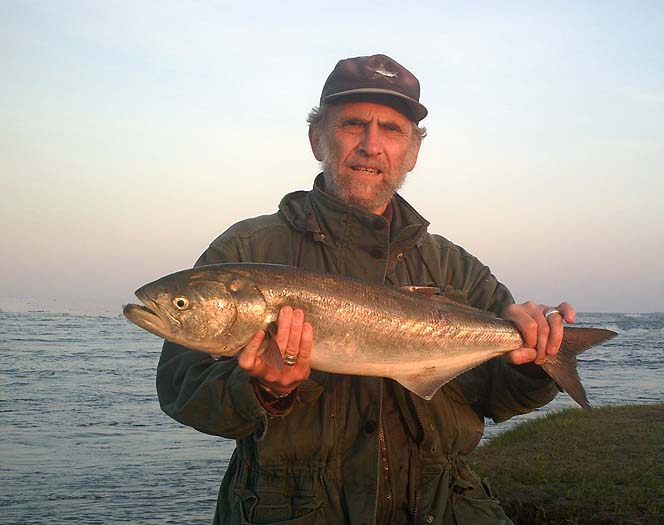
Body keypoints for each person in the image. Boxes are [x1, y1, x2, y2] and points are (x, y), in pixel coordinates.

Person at [156, 54, 575, 525]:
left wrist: (537, 360)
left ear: (412, 153)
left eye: (392, 130)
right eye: (353, 124)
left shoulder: (454, 266)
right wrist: (262, 391)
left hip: (444, 509)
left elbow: (497, 396)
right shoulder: (244, 248)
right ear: (317, 139)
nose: (371, 145)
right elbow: (181, 390)